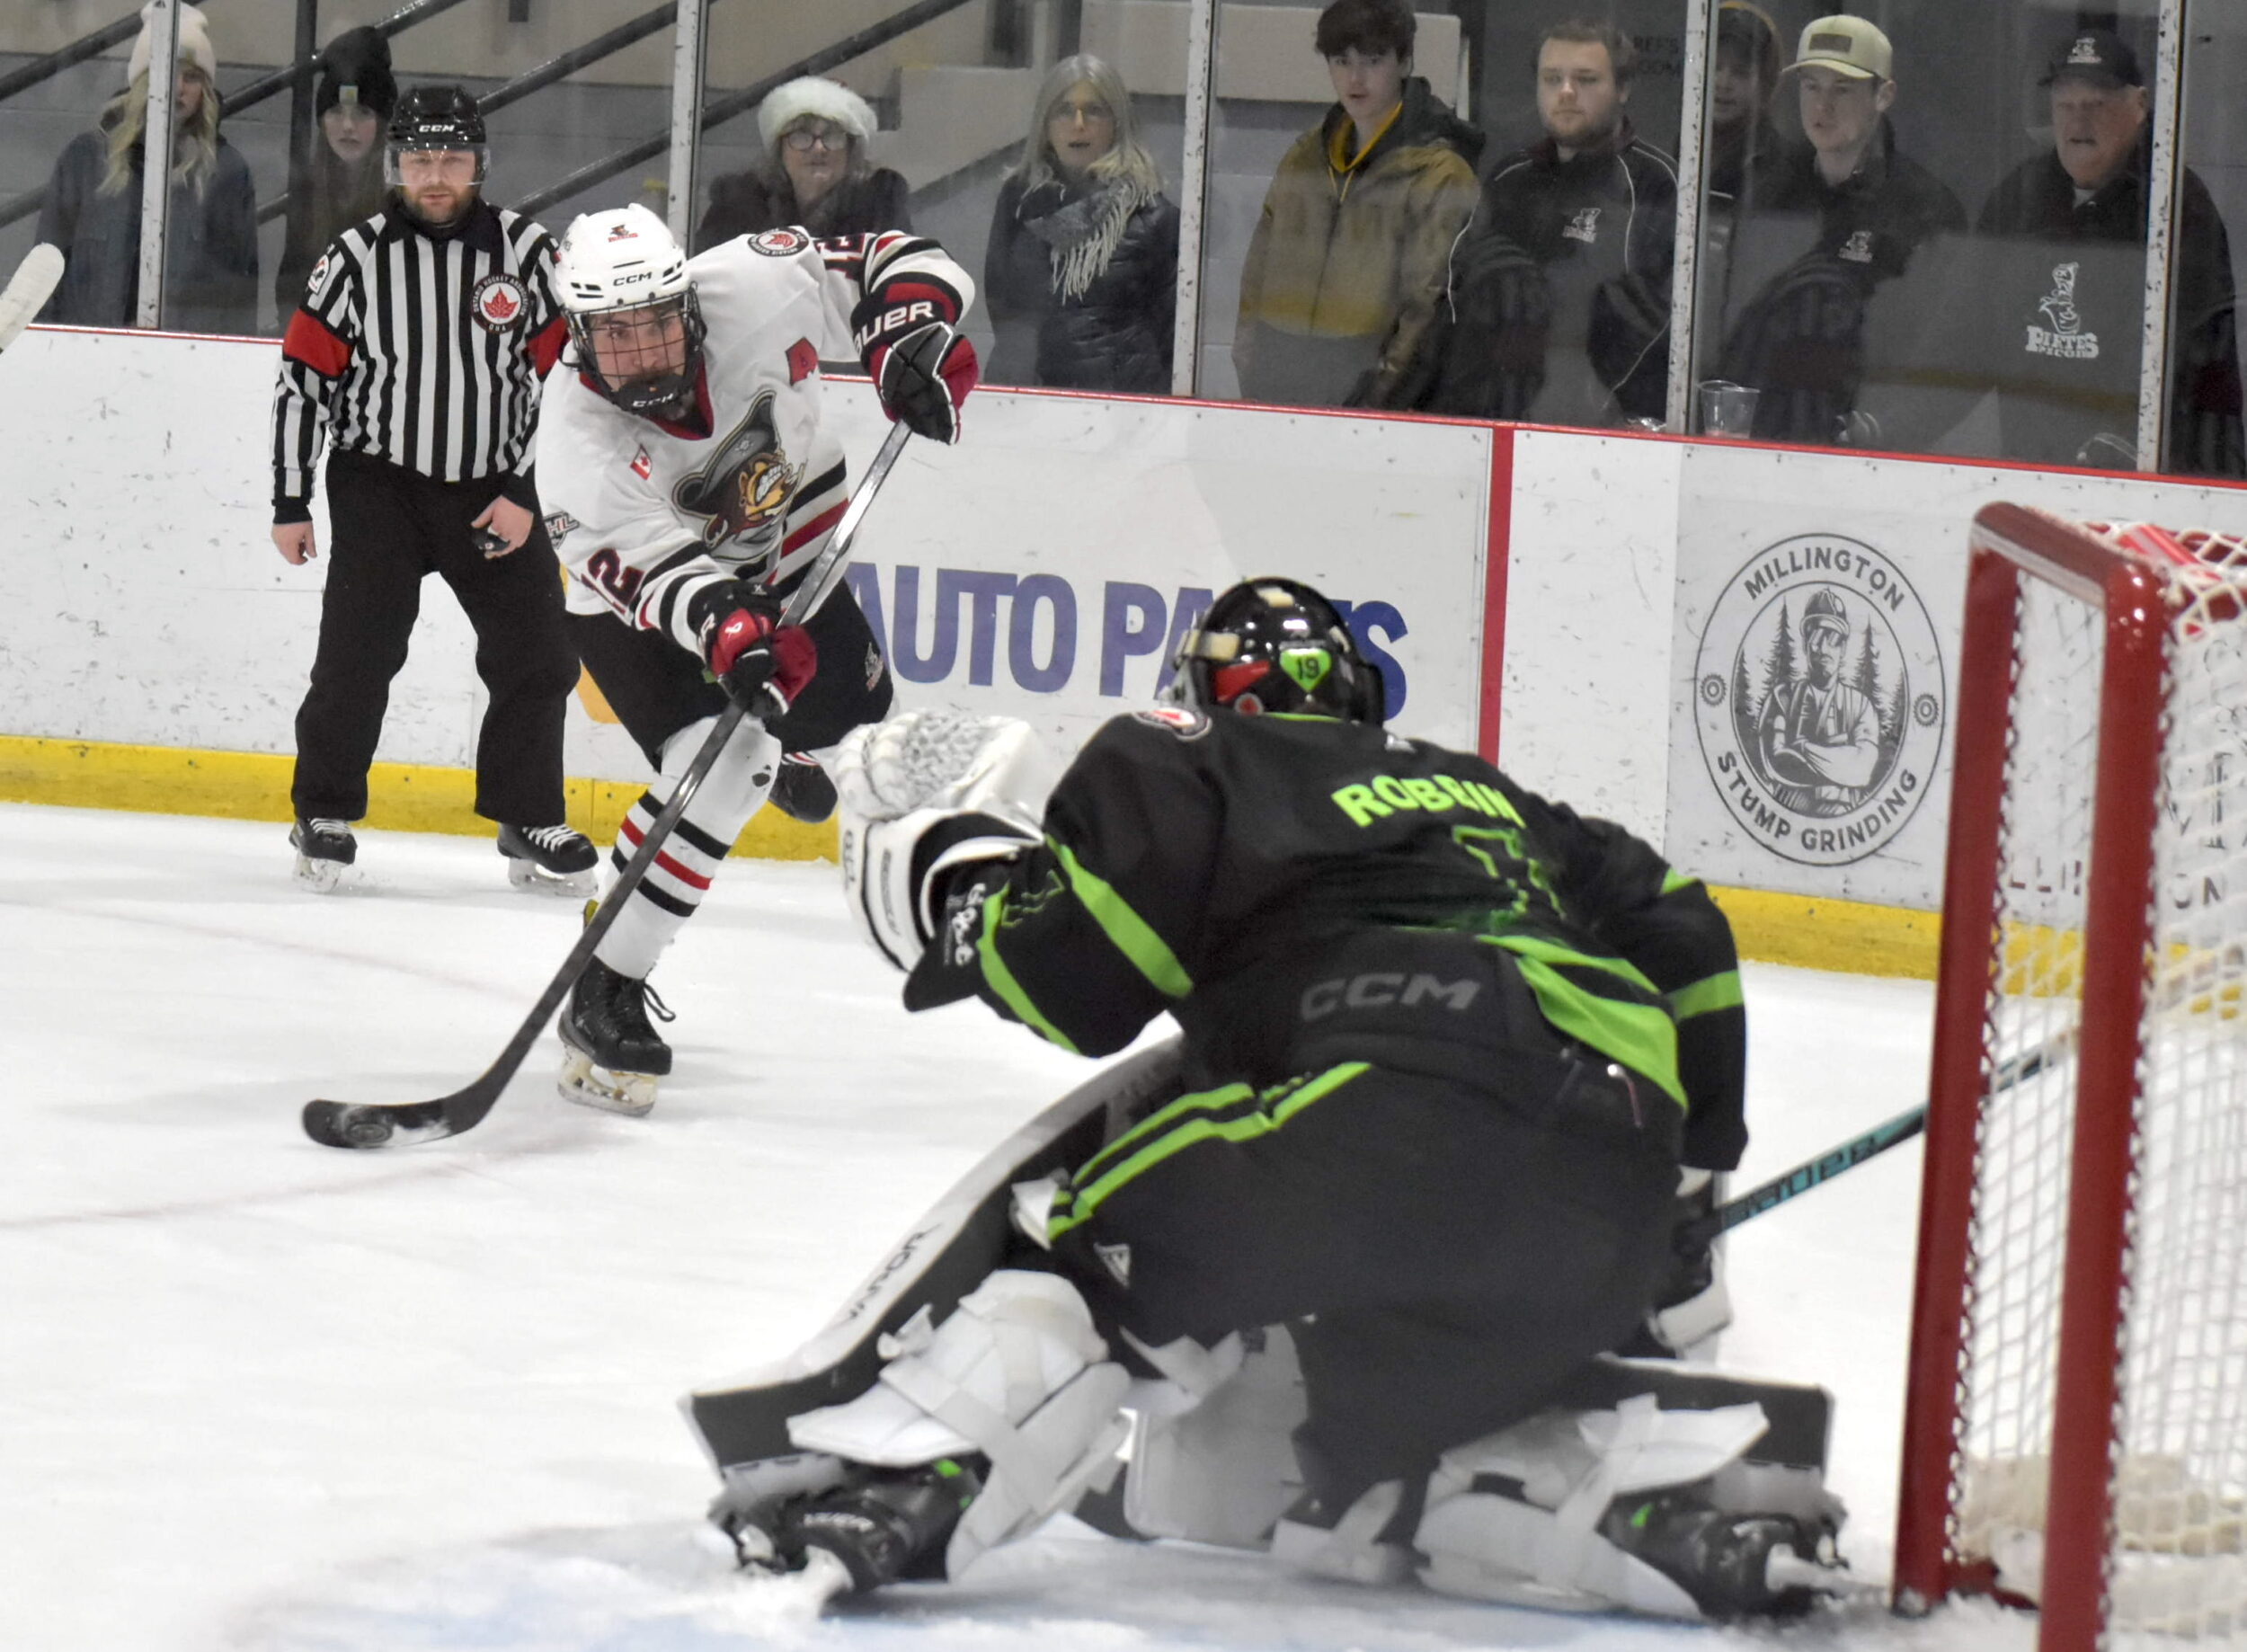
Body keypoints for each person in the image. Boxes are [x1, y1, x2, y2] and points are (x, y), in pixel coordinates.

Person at [730, 576, 1812, 1615]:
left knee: (1089, 1236)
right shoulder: (1490, 796)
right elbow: (1683, 928)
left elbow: (1076, 981)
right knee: (1381, 1430)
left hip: (1379, 1103)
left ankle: (908, 1480)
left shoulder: (1194, 751)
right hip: (1604, 1167)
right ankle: (1617, 1495)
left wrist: (952, 875)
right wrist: (1683, 1189)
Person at [532, 204, 979, 1116]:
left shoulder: (755, 280)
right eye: (615, 339)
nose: (645, 354)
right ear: (577, 336)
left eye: (657, 323)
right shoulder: (574, 447)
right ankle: (606, 978)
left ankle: (799, 744)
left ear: (688, 302)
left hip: (793, 531)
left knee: (858, 716)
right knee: (727, 761)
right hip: (650, 602)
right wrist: (734, 634)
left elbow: (896, 255)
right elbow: (662, 581)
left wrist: (907, 336)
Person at [270, 86, 594, 895]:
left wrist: (525, 486)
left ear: (479, 165)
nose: (437, 176)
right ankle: (324, 810)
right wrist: (290, 499)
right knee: (357, 654)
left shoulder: (529, 254)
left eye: (453, 160)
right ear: (397, 166)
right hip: (380, 484)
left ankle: (529, 814)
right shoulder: (353, 258)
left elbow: (571, 385)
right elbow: (301, 383)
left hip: (496, 493)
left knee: (539, 656)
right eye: (421, 160)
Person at [1975, 30, 2243, 477]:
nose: (2078, 123)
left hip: (2148, 483)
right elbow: (1961, 331)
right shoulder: (2019, 198)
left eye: (2096, 106)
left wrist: (2131, 440)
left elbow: (2197, 357)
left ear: (2138, 107)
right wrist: (1888, 421)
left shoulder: (2175, 206)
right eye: (2066, 105)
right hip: (2032, 473)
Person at [1710, 15, 1966, 448]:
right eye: (1811, 86)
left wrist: (1881, 433)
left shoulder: (1925, 209)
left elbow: (1944, 356)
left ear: (1883, 95)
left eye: (1842, 89)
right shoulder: (1766, 187)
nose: (1822, 106)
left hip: (1870, 454)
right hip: (1759, 441)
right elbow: (1732, 317)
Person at [1418, 21, 1675, 427]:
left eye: (1586, 80)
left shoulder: (1655, 185)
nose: (1567, 92)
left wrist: (1589, 407)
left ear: (1623, 89)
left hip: (1596, 431)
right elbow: (1456, 293)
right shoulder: (1509, 177)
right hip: (1488, 420)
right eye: (1552, 78)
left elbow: (1658, 325)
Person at [1233, 0, 1480, 409]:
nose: (1356, 77)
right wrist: (1252, 363)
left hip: (1371, 409)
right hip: (1277, 391)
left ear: (1403, 63)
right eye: (1341, 61)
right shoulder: (1305, 156)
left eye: (1373, 59)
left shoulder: (1439, 173)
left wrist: (1376, 401)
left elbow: (1424, 309)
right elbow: (1257, 271)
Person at [34, 1, 256, 335]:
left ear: (205, 91)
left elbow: (239, 298)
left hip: (182, 366)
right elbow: (44, 277)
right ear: (141, 79)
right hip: (86, 362)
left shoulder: (226, 173)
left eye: (193, 77)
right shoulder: (84, 161)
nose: (177, 87)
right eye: (165, 70)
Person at [982, 53, 1179, 395]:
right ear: (1044, 125)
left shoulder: (1154, 217)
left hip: (1118, 407)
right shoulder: (1018, 201)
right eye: (1063, 110)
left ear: (1117, 122)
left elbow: (1171, 337)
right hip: (1022, 400)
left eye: (1094, 110)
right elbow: (1001, 304)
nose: (1078, 124)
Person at [696, 76, 910, 252]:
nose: (818, 148)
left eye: (833, 136)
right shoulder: (737, 203)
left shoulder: (880, 203)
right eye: (801, 136)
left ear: (851, 150)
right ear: (780, 149)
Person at [272, 26, 395, 322]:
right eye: (336, 111)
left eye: (363, 112)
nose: (348, 126)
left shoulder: (400, 199)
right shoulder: (308, 190)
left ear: (382, 123)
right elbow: (289, 291)